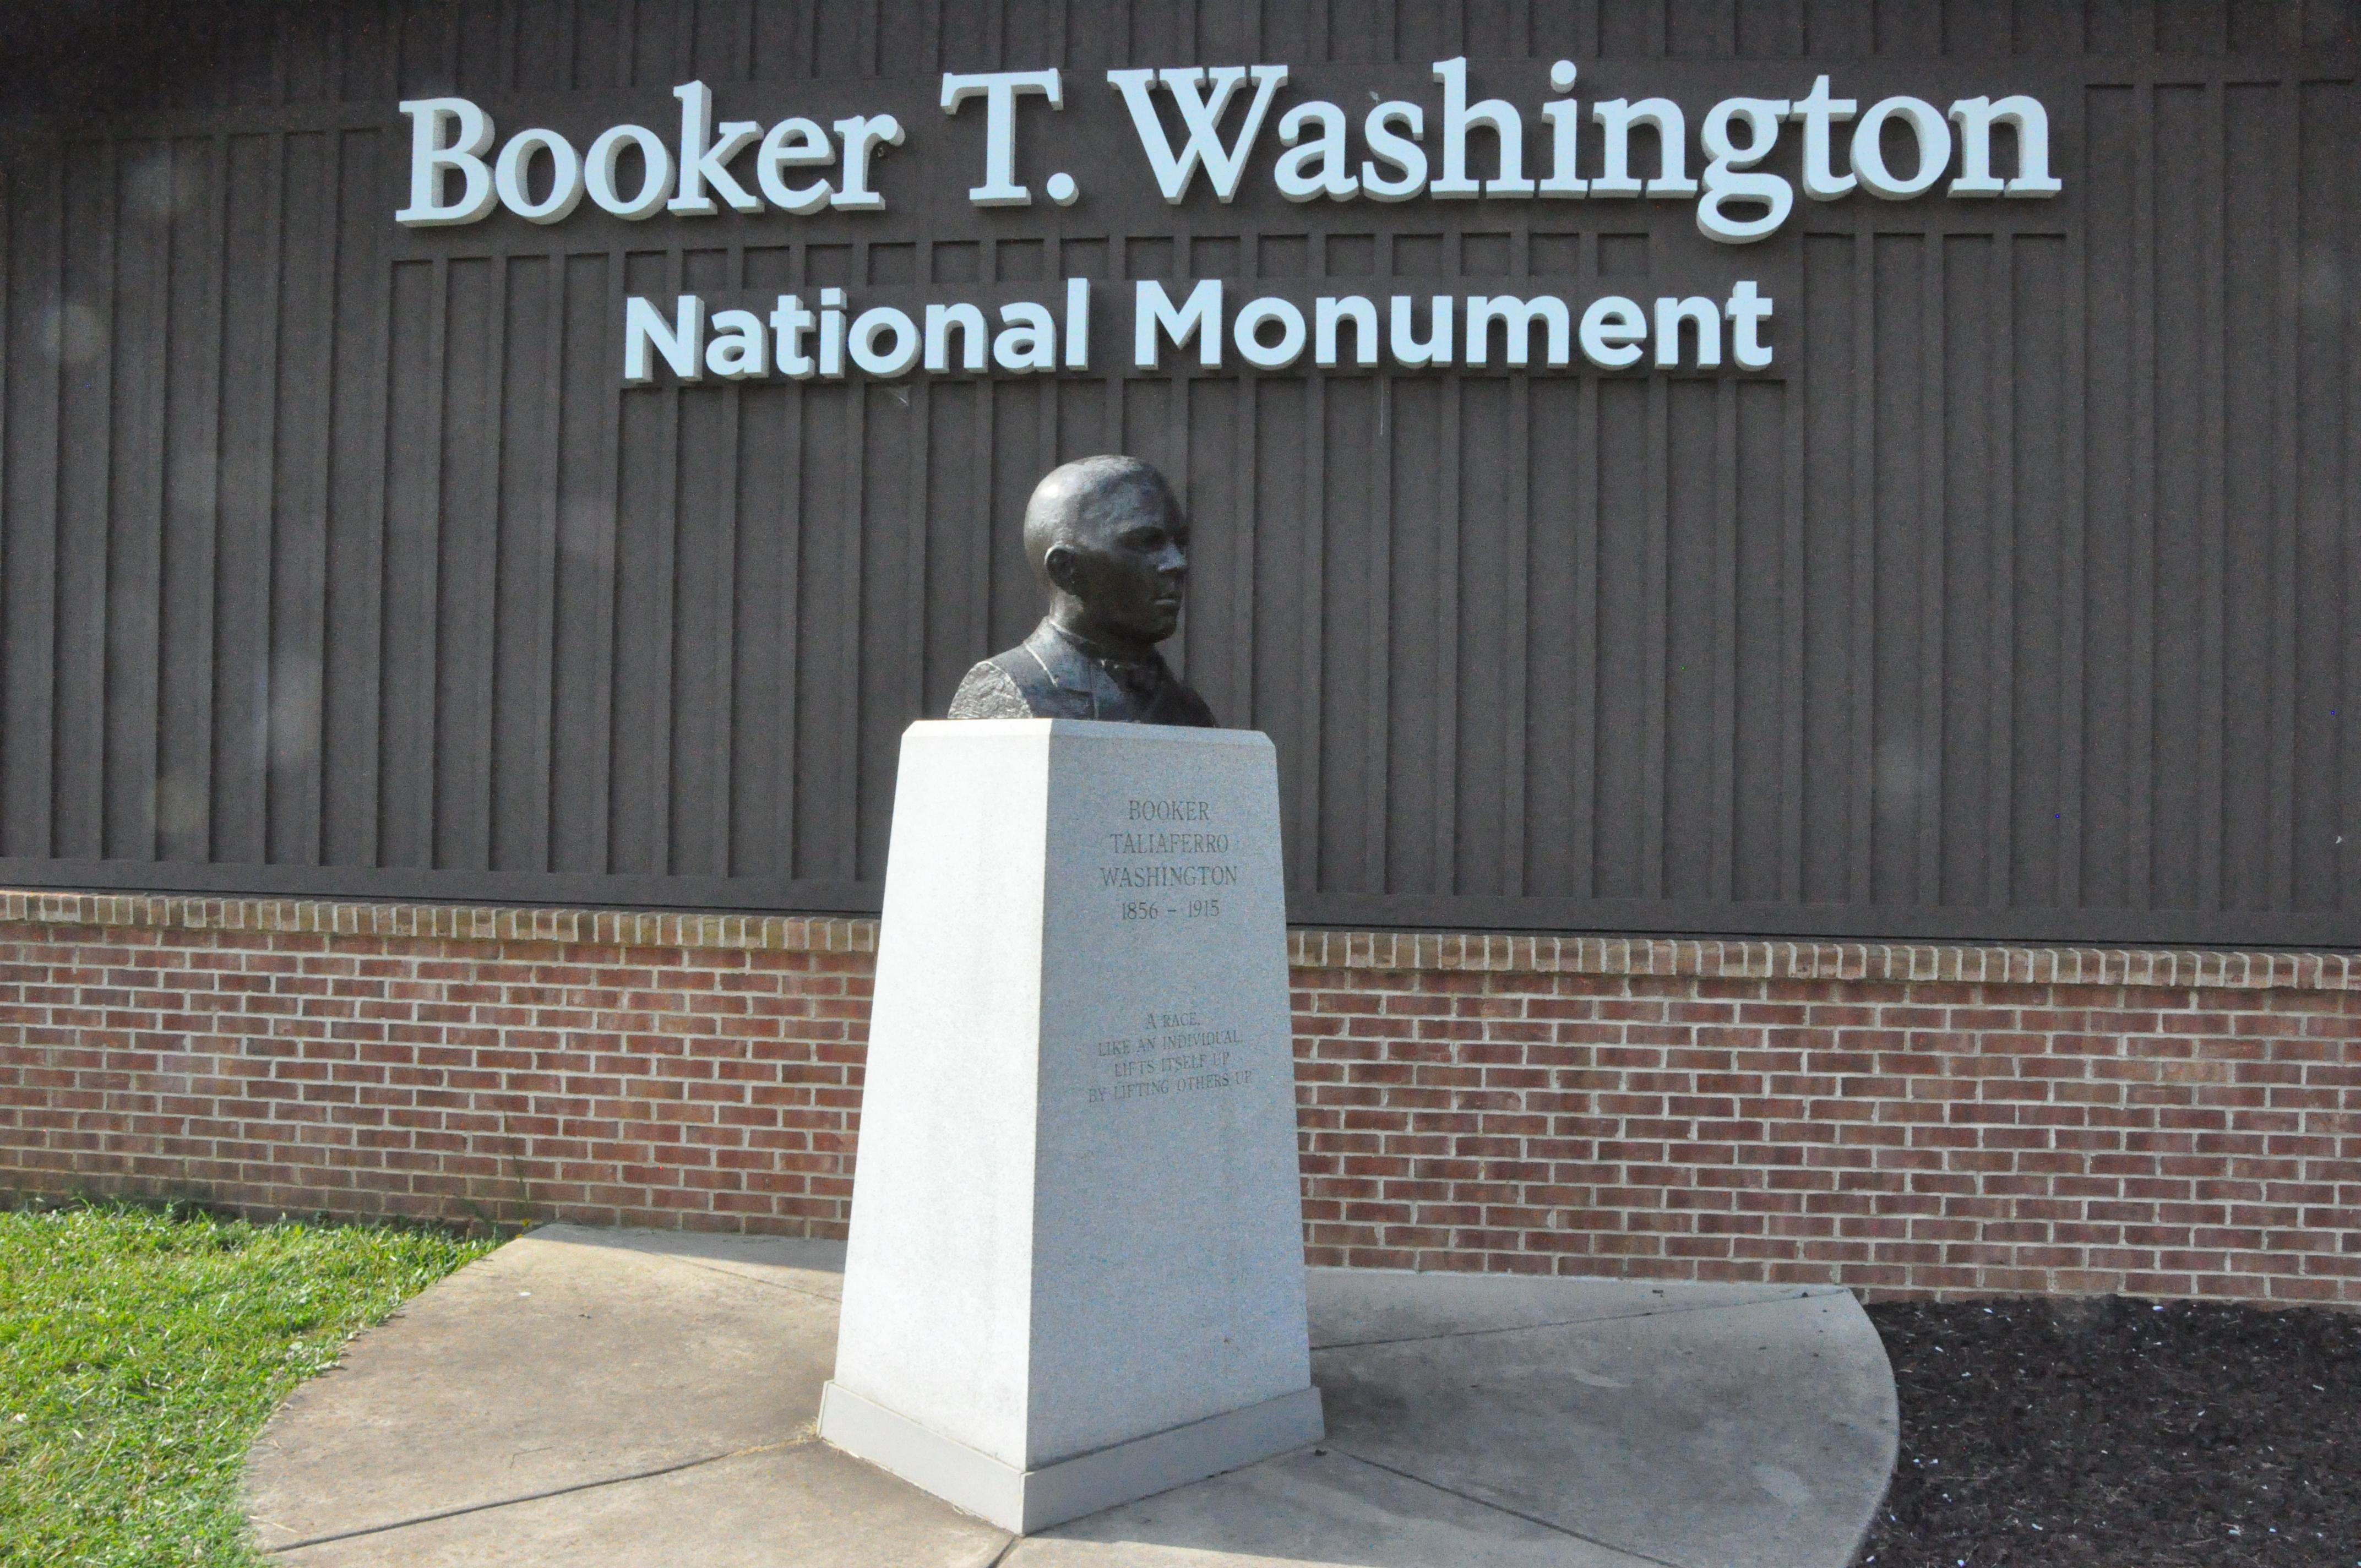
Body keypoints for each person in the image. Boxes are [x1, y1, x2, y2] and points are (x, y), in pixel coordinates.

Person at [947, 455, 1217, 726]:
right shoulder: (1001, 689)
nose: (1178, 563)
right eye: (1147, 543)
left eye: (1180, 544)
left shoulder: (1190, 710)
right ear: (1066, 569)